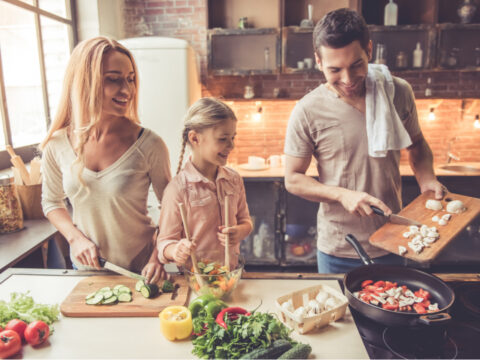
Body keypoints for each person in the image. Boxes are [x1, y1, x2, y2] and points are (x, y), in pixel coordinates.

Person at [284, 8, 445, 273]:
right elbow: (292, 178)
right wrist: (341, 194)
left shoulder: (398, 92)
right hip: (338, 247)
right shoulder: (307, 110)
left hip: (394, 239)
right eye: (335, 69)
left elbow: (416, 144)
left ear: (369, 50)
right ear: (318, 61)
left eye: (356, 65)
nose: (347, 80)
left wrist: (427, 180)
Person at [40, 36, 171, 283]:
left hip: (142, 270)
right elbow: (51, 202)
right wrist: (75, 238)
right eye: (113, 79)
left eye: (131, 79)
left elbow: (171, 209)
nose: (127, 90)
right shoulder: (56, 144)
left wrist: (157, 257)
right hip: (87, 270)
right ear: (85, 82)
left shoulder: (149, 144)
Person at [156, 98, 252, 268]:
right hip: (196, 281)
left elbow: (246, 221)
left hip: (230, 274)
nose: (231, 145)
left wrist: (239, 232)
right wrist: (176, 249)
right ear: (195, 138)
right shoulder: (177, 189)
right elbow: (164, 243)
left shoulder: (234, 180)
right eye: (223, 139)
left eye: (232, 137)